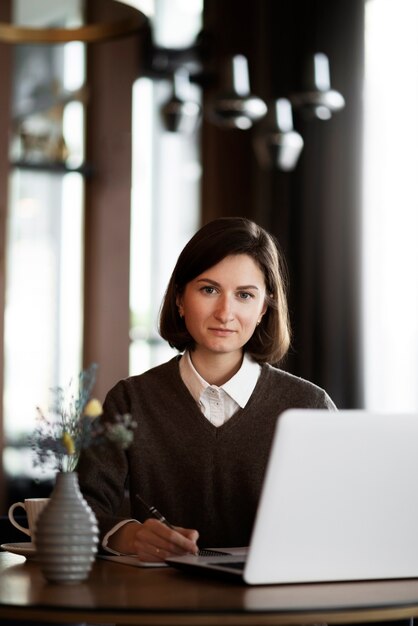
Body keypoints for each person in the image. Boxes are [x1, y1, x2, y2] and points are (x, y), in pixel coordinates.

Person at [77, 216, 336, 562]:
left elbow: (341, 517)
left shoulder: (309, 405)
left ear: (263, 308)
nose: (225, 312)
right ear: (181, 299)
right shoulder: (131, 400)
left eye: (244, 295)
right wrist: (130, 535)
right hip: (160, 605)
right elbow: (80, 508)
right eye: (208, 289)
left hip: (275, 606)